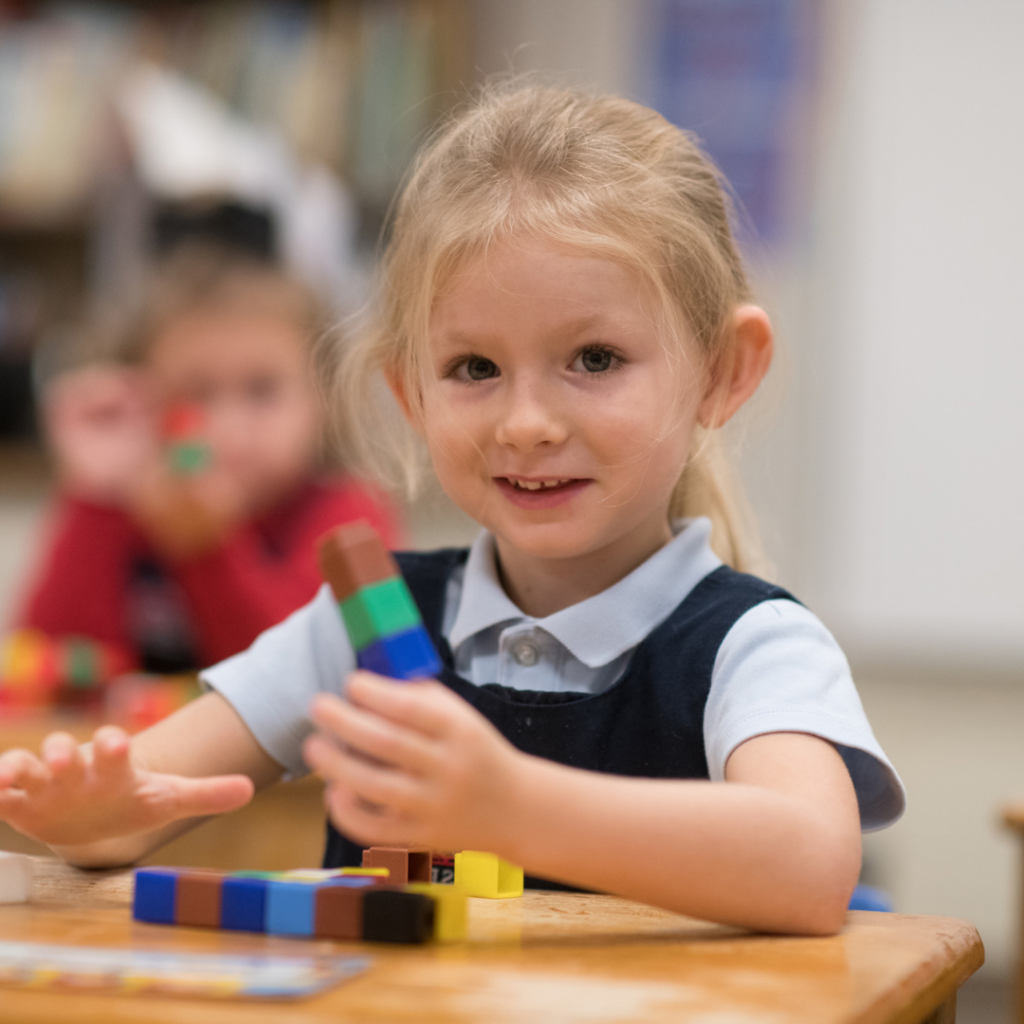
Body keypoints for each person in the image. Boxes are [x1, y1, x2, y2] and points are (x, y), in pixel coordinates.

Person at [0, 85, 903, 935]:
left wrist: (513, 806)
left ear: (723, 370)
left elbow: (814, 865)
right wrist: (89, 819)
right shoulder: (365, 617)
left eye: (594, 359)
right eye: (474, 369)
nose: (527, 424)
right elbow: (141, 804)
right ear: (411, 392)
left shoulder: (753, 647)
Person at [11, 245, 402, 672]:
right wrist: (96, 496)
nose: (228, 429)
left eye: (262, 390)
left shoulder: (352, 518)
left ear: (323, 399)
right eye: (198, 393)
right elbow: (48, 665)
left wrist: (209, 547)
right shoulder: (119, 511)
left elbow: (305, 675)